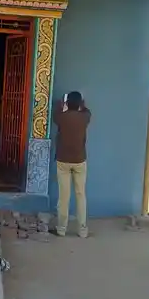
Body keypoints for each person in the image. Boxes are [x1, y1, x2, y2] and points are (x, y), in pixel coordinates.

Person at [52, 91, 91, 238]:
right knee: (80, 195)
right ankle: (82, 230)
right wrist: (82, 104)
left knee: (64, 197)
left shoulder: (61, 117)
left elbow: (57, 112)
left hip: (63, 160)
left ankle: (61, 229)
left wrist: (63, 105)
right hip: (80, 160)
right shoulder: (85, 117)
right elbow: (87, 110)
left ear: (67, 103)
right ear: (80, 103)